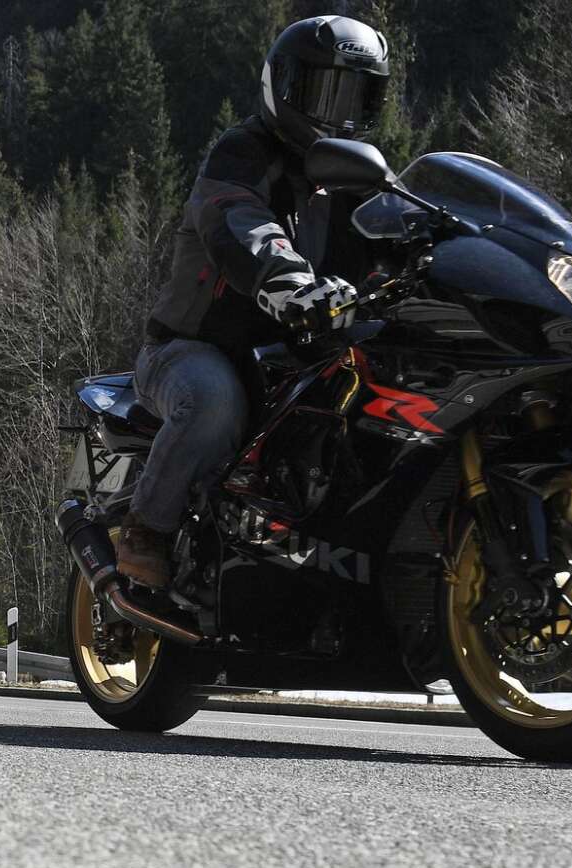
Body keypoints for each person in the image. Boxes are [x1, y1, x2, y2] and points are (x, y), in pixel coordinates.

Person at [119, 14, 390, 589]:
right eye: (323, 90)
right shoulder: (241, 155)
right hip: (194, 349)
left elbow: (399, 234)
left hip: (300, 357)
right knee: (216, 401)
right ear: (283, 85)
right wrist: (293, 285)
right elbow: (241, 226)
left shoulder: (353, 177)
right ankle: (147, 528)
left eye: (355, 95)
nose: (337, 111)